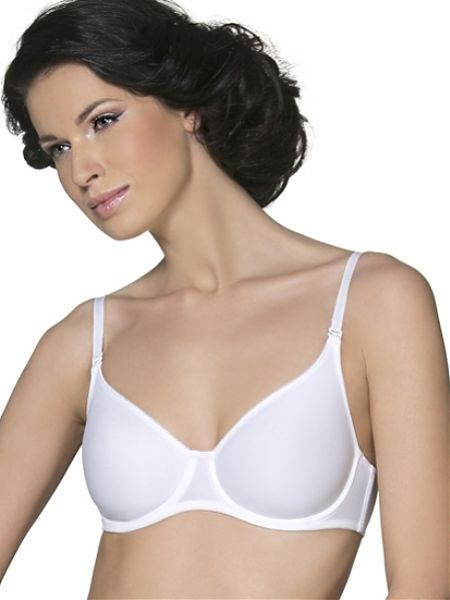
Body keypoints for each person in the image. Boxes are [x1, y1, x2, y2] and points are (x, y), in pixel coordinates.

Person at [0, 0, 448, 598]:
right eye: (58, 147)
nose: (82, 169)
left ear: (186, 106)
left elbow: (426, 582)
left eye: (103, 121)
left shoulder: (373, 303)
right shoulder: (85, 341)